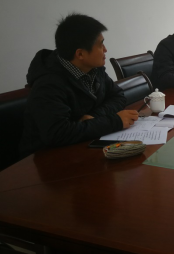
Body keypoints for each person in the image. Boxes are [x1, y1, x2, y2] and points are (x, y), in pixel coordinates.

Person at [20, 14, 138, 158]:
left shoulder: (94, 68)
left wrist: (95, 117)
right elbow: (57, 133)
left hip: (85, 146)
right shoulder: (48, 84)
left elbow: (118, 96)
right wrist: (115, 122)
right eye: (100, 45)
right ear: (80, 54)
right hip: (45, 158)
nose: (105, 49)